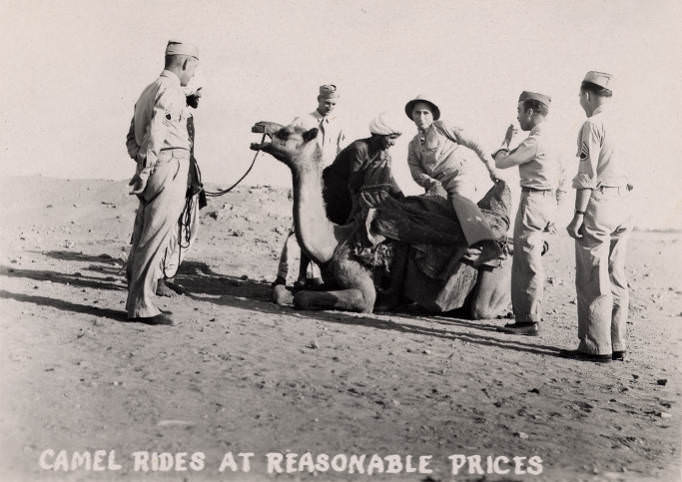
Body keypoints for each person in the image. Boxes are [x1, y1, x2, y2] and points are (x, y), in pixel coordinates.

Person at [124, 40, 199, 325]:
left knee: (145, 234)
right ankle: (142, 306)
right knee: (154, 237)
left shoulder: (148, 90)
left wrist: (141, 163)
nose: (192, 75)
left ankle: (138, 301)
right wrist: (148, 168)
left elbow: (132, 136)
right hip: (169, 168)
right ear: (185, 63)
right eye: (193, 68)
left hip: (156, 166)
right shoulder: (170, 91)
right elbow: (156, 131)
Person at [562, 71, 632, 362]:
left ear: (587, 95)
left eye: (581, 95)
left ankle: (594, 346)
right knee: (617, 274)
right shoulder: (622, 124)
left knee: (593, 275)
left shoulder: (592, 124)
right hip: (624, 202)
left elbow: (586, 174)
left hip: (600, 201)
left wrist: (578, 214)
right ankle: (617, 343)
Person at [492, 91, 558, 336]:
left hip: (532, 200)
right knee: (530, 259)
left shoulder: (534, 141)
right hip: (544, 201)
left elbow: (502, 162)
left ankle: (528, 320)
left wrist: (506, 141)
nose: (518, 117)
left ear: (531, 112)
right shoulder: (550, 139)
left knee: (525, 261)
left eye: (520, 111)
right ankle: (529, 317)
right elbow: (561, 178)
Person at [273, 84, 347, 288]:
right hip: (305, 179)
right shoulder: (304, 120)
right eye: (326, 102)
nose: (330, 106)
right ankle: (282, 275)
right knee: (296, 228)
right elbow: (285, 137)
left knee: (316, 228)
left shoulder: (339, 124)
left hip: (326, 183)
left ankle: (311, 276)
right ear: (318, 99)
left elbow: (341, 153)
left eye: (333, 103)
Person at [405, 96, 500, 203]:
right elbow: (416, 172)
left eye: (425, 113)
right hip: (437, 187)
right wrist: (431, 182)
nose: (421, 117)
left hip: (458, 179)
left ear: (432, 115)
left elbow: (475, 144)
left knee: (461, 202)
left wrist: (491, 168)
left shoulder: (442, 128)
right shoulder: (413, 145)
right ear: (412, 115)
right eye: (417, 113)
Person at [322, 112, 403, 224]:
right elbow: (354, 182)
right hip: (337, 192)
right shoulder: (359, 148)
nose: (393, 143)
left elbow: (389, 177)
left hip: (356, 190)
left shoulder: (384, 153)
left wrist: (400, 197)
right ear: (379, 136)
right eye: (391, 138)